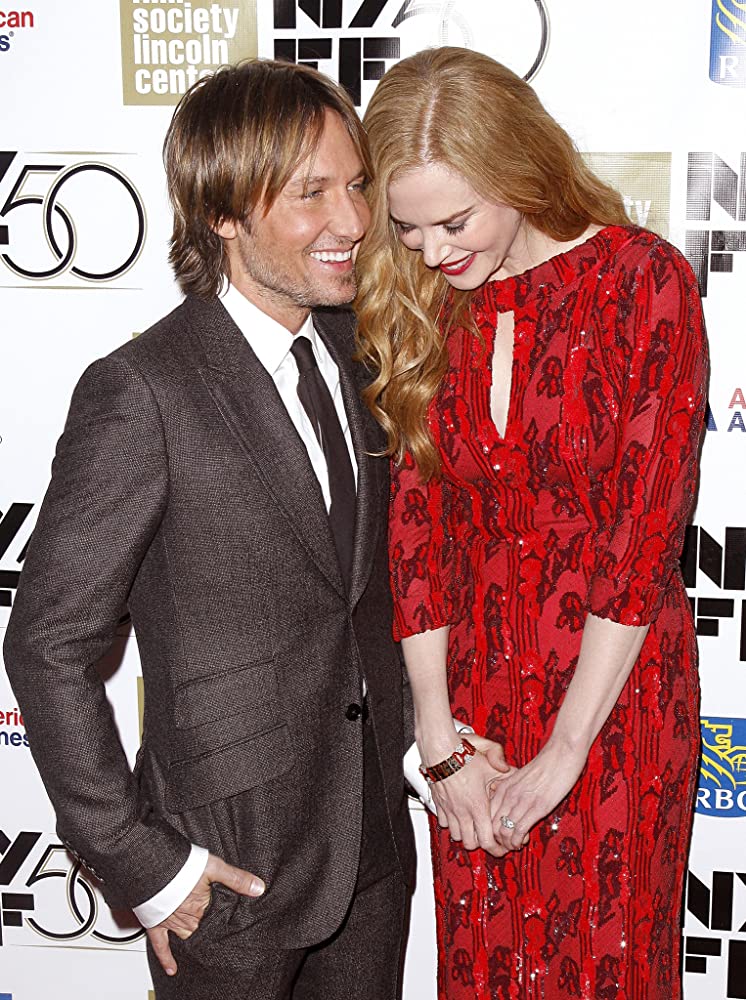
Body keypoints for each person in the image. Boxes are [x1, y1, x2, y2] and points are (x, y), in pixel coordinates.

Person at [4, 59, 420, 1000]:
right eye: (311, 193)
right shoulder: (142, 392)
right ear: (224, 211)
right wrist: (144, 865)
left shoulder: (359, 355)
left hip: (373, 854)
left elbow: (358, 596)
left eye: (357, 185)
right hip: (227, 873)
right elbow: (47, 642)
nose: (354, 220)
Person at [355, 47, 708, 999]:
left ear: (517, 170)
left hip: (616, 696)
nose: (432, 252)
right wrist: (441, 746)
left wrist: (566, 751)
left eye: (455, 221)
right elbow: (417, 534)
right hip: (474, 704)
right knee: (483, 967)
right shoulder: (427, 300)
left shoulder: (643, 280)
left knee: (607, 968)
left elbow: (642, 539)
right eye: (407, 228)